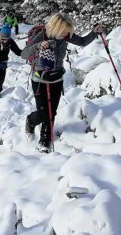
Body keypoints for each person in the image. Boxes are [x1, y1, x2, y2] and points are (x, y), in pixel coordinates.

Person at [21, 12, 103, 153]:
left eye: (68, 32)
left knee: (52, 112)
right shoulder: (43, 35)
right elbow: (24, 54)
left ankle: (44, 141)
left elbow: (82, 42)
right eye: (64, 31)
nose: (66, 34)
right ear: (56, 28)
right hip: (40, 79)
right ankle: (30, 121)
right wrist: (39, 45)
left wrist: (94, 33)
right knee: (45, 113)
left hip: (57, 78)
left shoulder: (66, 35)